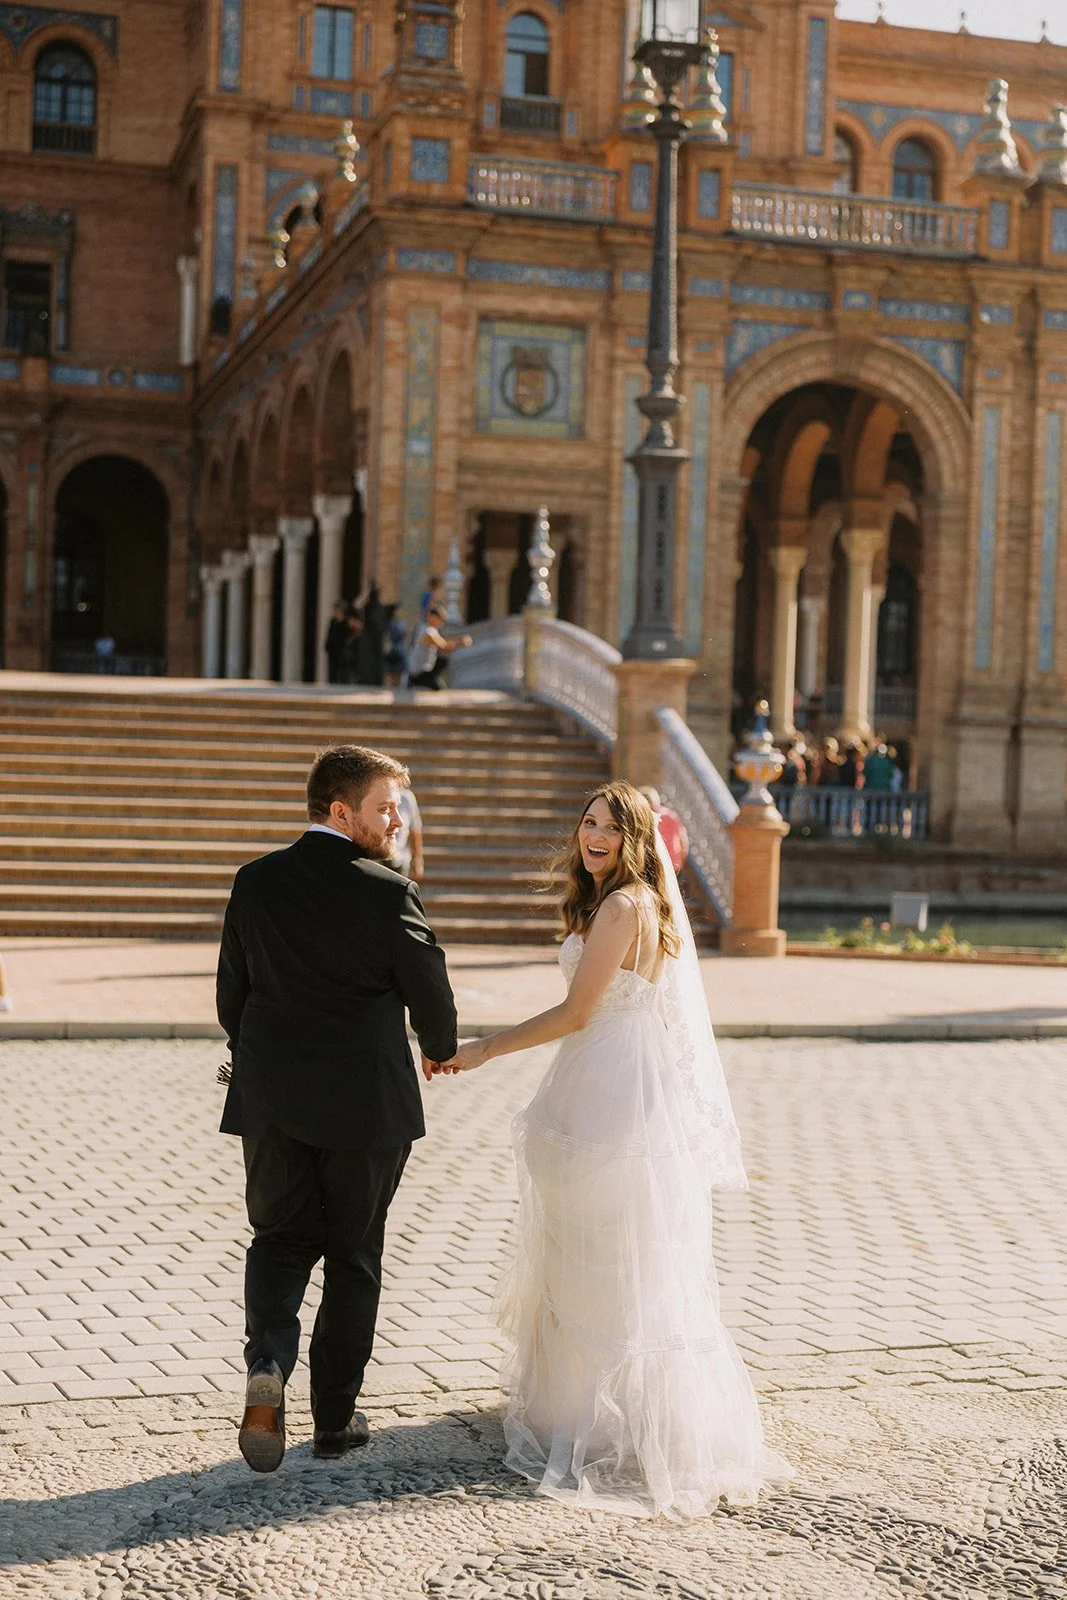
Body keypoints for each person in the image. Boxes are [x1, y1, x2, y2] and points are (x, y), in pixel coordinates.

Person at [433, 782, 791, 1518]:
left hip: (609, 1086)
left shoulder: (624, 907)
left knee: (603, 1252)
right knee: (605, 1252)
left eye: (610, 827)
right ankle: (590, 1409)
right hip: (616, 1073)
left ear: (635, 840)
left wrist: (484, 1048)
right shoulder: (636, 903)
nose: (593, 835)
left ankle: (594, 1421)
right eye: (586, 821)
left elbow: (577, 1012)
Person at [216, 745, 457, 1473]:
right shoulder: (388, 890)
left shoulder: (255, 881)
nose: (397, 821)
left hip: (270, 1100)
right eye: (386, 808)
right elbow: (430, 992)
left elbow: (232, 996)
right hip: (366, 1106)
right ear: (341, 811)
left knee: (278, 1239)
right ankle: (334, 1419)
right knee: (353, 1255)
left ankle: (267, 1365)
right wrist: (439, 1047)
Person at [406, 605, 472, 689]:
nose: (442, 623)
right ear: (432, 617)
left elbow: (443, 642)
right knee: (443, 661)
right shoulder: (427, 632)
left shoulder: (430, 629)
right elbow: (444, 646)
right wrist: (461, 641)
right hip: (419, 672)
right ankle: (416, 682)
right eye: (440, 619)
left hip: (425, 670)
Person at [637, 785, 688, 873]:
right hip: (674, 863)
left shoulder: (651, 819)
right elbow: (683, 841)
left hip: (660, 864)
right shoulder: (670, 815)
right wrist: (681, 859)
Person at [394, 786, 424, 881]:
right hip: (378, 860)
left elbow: (415, 830)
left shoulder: (406, 797)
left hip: (400, 858)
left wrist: (417, 860)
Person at [384, 604, 408, 687]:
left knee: (400, 671)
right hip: (393, 649)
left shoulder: (402, 622)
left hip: (401, 649)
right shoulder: (390, 623)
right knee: (391, 671)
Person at [324, 603, 348, 685]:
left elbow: (345, 636)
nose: (336, 612)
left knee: (340, 670)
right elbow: (330, 635)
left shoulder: (345, 622)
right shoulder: (333, 621)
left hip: (341, 650)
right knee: (332, 669)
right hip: (332, 649)